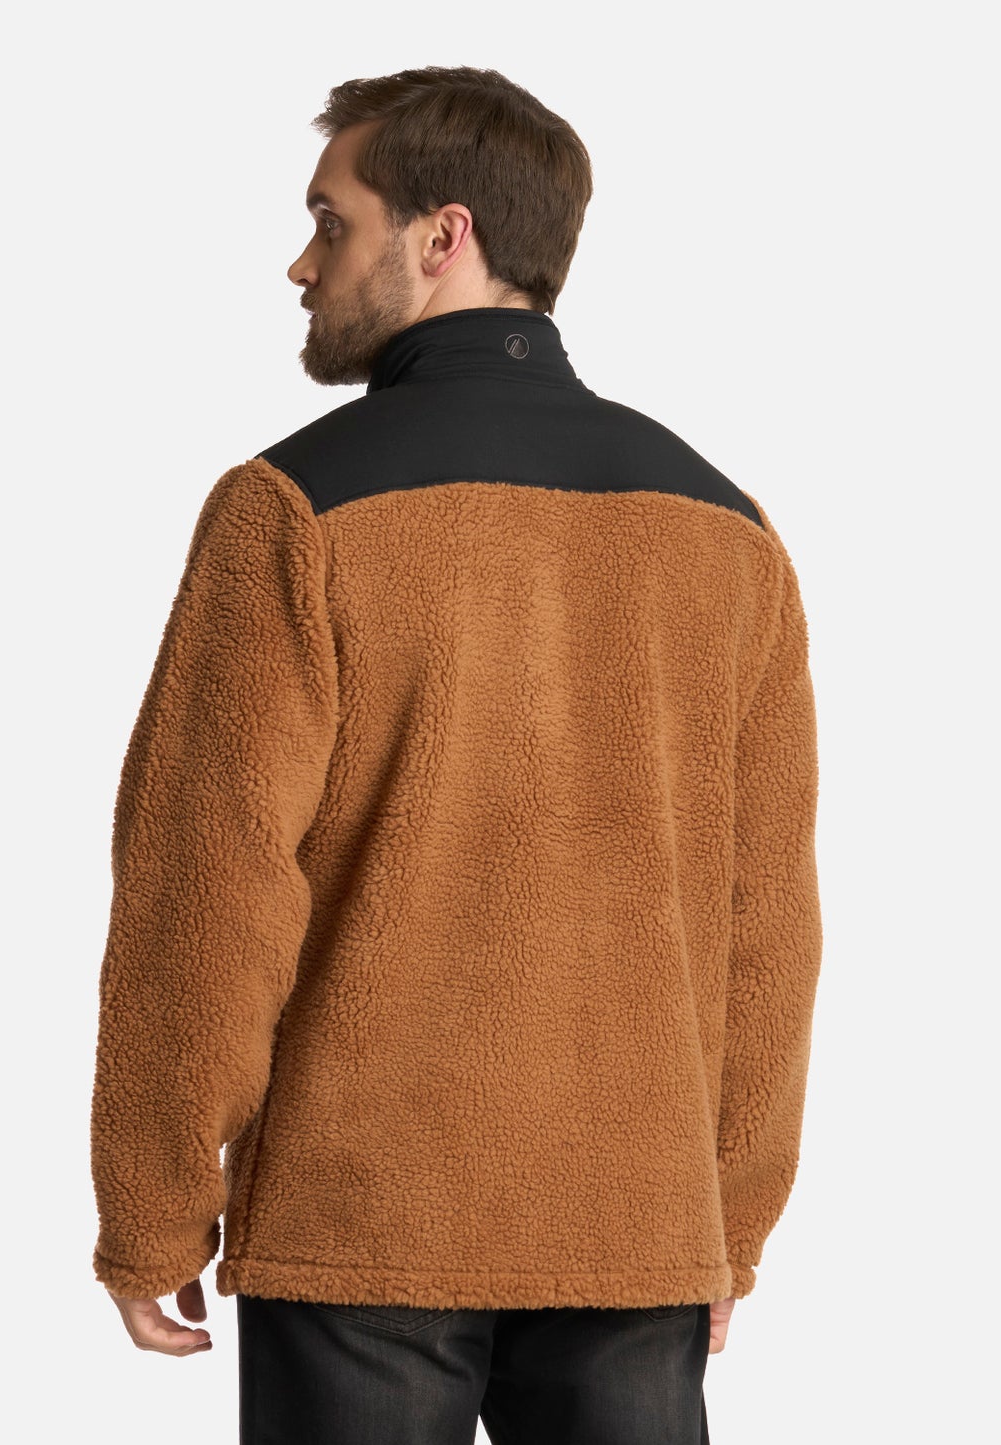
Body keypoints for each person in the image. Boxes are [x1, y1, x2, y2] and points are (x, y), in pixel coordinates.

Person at [90, 64, 823, 1445]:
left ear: (444, 236)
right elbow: (766, 921)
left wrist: (152, 1204)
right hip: (636, 1219)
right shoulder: (727, 531)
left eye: (332, 221)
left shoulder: (292, 509)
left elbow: (206, 889)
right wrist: (726, 1221)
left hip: (362, 1219)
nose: (301, 264)